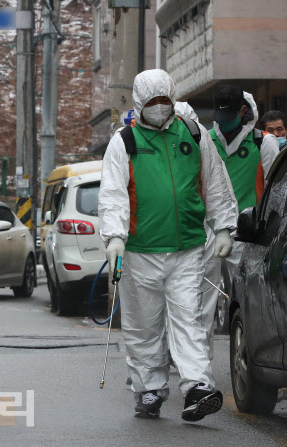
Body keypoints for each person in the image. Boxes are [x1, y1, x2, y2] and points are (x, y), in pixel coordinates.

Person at [98, 69, 238, 421]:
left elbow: (215, 181)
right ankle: (148, 390)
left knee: (188, 319)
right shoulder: (124, 141)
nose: (159, 108)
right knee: (144, 325)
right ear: (140, 103)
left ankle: (197, 386)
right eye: (152, 103)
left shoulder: (193, 133)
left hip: (187, 247)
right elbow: (113, 194)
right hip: (140, 251)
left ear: (172, 99)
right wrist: (114, 236)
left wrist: (223, 227)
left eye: (164, 101)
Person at [208, 85, 280, 305]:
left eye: (229, 115)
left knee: (251, 301)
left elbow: (274, 191)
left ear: (242, 111)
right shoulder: (206, 141)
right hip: (211, 232)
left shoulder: (263, 142)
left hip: (248, 234)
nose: (223, 122)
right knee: (201, 303)